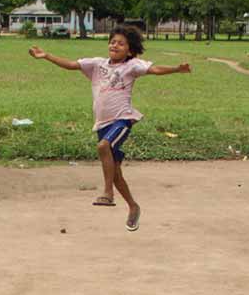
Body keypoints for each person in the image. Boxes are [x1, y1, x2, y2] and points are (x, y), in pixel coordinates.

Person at [29, 25, 191, 233]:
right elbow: (71, 64)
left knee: (103, 146)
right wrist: (46, 56)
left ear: (130, 51)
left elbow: (155, 70)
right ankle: (133, 206)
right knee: (115, 174)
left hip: (122, 120)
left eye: (121, 43)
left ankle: (107, 193)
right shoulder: (97, 64)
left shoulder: (132, 66)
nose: (115, 45)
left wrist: (177, 69)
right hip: (102, 124)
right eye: (113, 41)